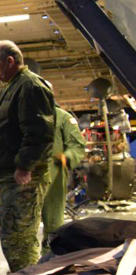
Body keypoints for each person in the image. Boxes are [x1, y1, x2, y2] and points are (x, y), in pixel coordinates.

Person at [0, 40, 56, 272]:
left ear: (9, 61)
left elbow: (39, 131)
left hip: (23, 179)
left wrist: (25, 166)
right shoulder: (12, 87)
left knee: (20, 239)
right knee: (13, 237)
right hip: (10, 178)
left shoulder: (29, 86)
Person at [42, 103, 87, 247]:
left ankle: (52, 253)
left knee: (53, 222)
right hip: (23, 175)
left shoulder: (61, 117)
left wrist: (66, 158)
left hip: (52, 174)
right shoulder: (20, 114)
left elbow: (77, 144)